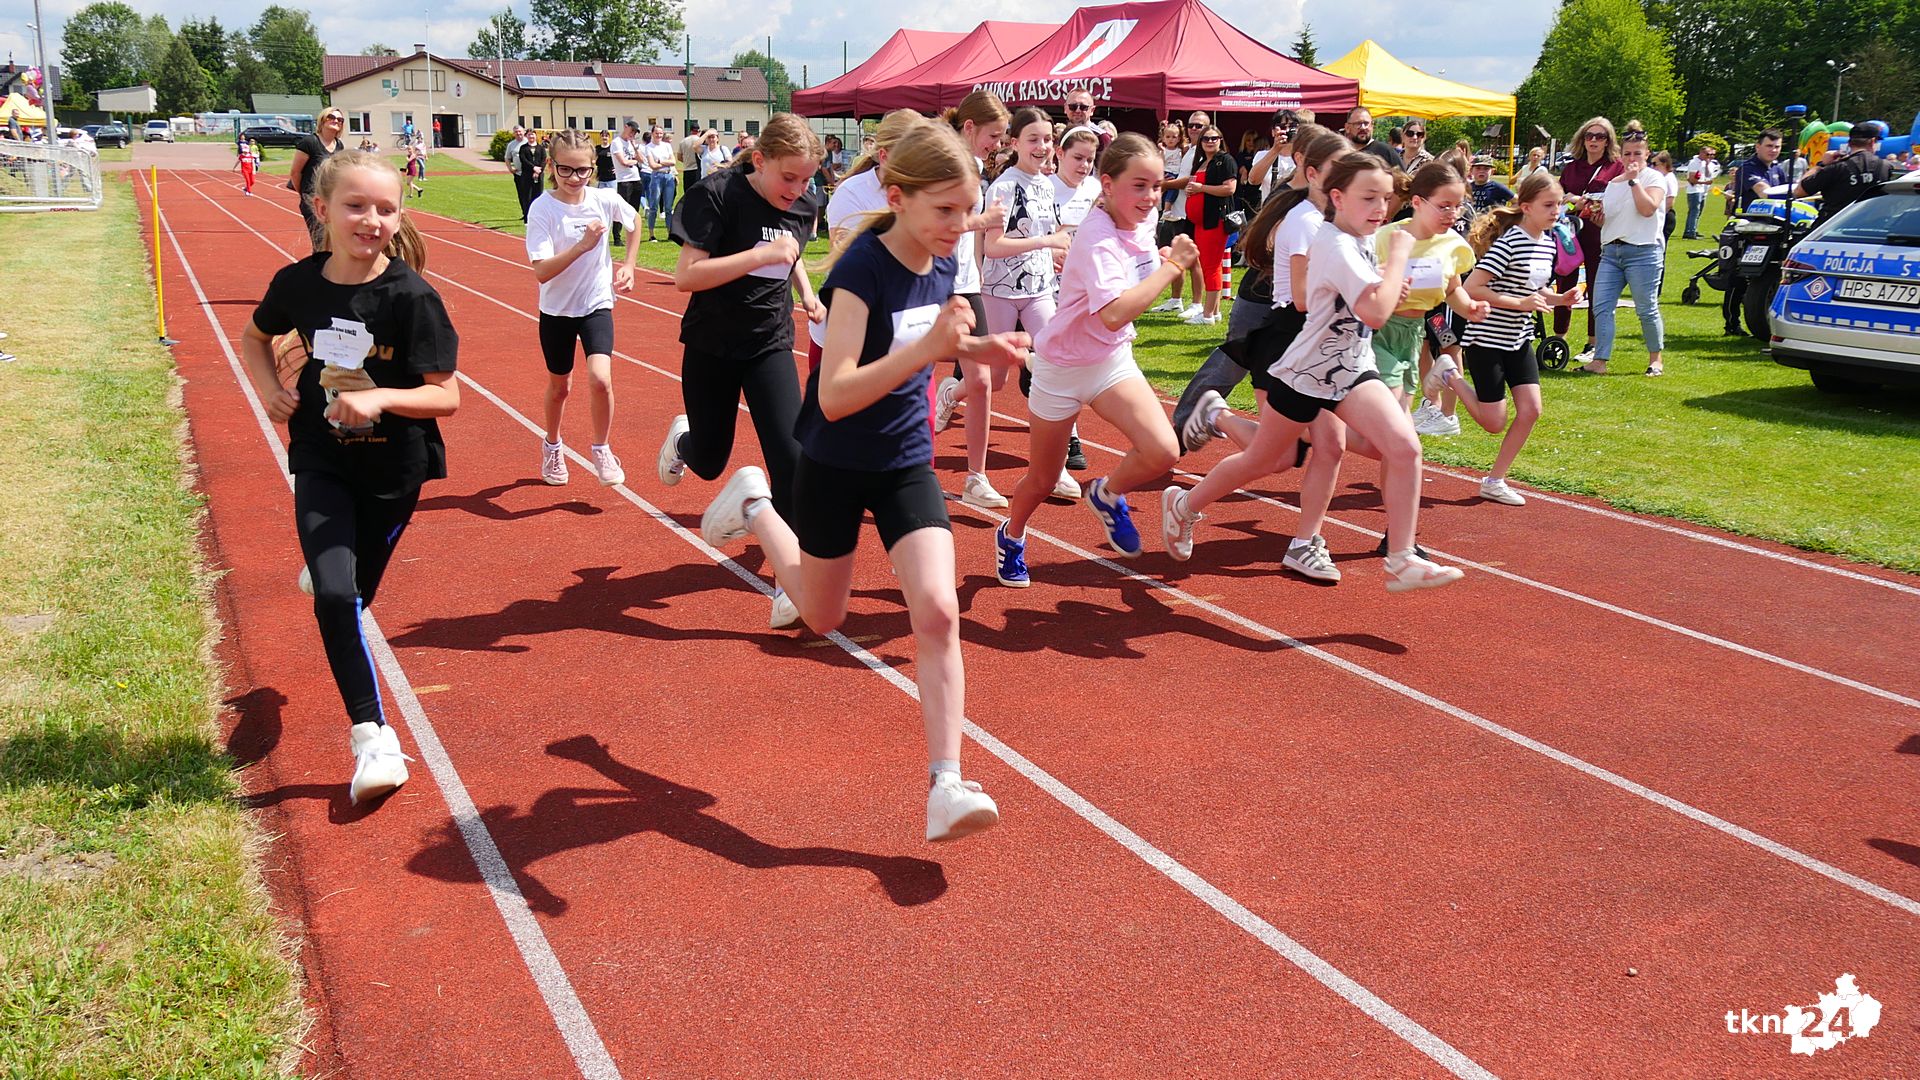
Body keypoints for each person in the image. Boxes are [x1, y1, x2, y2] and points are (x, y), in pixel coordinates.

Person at [698, 121, 1028, 842]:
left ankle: (946, 783)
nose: (960, 226)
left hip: (906, 460)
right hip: (836, 463)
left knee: (938, 611)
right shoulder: (860, 272)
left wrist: (979, 345)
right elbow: (836, 393)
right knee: (822, 618)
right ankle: (754, 502)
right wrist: (933, 348)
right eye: (946, 209)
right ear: (899, 197)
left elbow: (919, 341)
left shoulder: (942, 258)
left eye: (967, 210)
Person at [238, 150, 458, 805]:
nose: (371, 220)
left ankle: (328, 568)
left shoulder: (412, 298)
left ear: (400, 217)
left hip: (394, 471)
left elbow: (445, 396)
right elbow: (254, 337)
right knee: (337, 598)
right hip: (321, 456)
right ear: (322, 209)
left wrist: (380, 398)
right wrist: (270, 389)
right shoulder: (297, 284)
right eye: (355, 206)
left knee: (353, 595)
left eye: (385, 209)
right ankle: (374, 739)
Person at [1162, 151, 1463, 593]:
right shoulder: (1336, 242)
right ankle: (1185, 505)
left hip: (1351, 368)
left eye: (1385, 199)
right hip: (1306, 372)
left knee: (1404, 447)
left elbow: (1362, 300)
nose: (1380, 208)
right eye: (1369, 198)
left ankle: (1400, 558)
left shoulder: (1359, 238)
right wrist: (1397, 261)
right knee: (1265, 459)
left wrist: (1385, 280)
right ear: (1338, 198)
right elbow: (1375, 313)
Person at [993, 134, 1190, 584]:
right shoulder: (1097, 237)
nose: (1151, 197)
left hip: (1110, 360)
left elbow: (1131, 280)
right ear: (1108, 184)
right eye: (1139, 185)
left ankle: (1107, 493)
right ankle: (1012, 534)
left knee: (1163, 450)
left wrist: (1158, 259)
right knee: (1043, 481)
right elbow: (1113, 312)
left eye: (1156, 186)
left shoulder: (1143, 219)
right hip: (1061, 367)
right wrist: (1172, 267)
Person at [659, 114, 826, 629]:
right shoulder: (716, 195)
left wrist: (806, 292)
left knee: (792, 459)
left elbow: (790, 250)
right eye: (788, 178)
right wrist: (758, 256)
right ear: (759, 160)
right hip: (712, 344)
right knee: (710, 461)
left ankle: (789, 580)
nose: (797, 190)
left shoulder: (804, 204)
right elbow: (687, 276)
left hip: (769, 342)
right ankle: (683, 440)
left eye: (806, 180)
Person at [1169, 124, 1342, 455]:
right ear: (1306, 162)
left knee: (1278, 376)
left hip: (1288, 303)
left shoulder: (1321, 201)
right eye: (1334, 165)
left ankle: (1275, 435)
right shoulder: (1291, 200)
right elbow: (1262, 248)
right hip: (1263, 298)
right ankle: (1187, 423)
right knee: (1235, 361)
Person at [1427, 170, 1580, 505]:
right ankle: (1449, 373)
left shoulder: (1547, 243)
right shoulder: (1510, 243)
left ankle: (1495, 480)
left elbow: (1534, 288)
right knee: (1493, 422)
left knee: (1531, 410)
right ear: (1526, 207)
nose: (1556, 211)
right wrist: (1521, 303)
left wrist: (1559, 298)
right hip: (1487, 339)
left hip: (1518, 338)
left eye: (1559, 204)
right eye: (1548, 205)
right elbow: (1473, 288)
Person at [526, 130, 641, 487]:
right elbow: (542, 271)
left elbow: (634, 222)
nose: (575, 178)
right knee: (560, 387)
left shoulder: (604, 199)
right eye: (566, 169)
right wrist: (583, 245)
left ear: (593, 167)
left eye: (582, 170)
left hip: (596, 303)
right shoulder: (543, 208)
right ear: (551, 166)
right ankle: (552, 445)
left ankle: (601, 448)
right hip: (557, 310)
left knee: (601, 380)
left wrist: (629, 264)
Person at [974, 107, 1071, 510]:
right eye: (1033, 139)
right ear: (1014, 143)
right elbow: (993, 246)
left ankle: (1056, 466)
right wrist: (1046, 243)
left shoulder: (1047, 184)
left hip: (1039, 290)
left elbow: (1049, 234)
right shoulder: (1003, 187)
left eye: (1047, 139)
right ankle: (952, 393)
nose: (1043, 146)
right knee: (994, 380)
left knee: (1055, 366)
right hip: (998, 290)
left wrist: (1056, 253)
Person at [931, 92, 1014, 486]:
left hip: (965, 282)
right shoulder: (943, 161)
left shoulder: (977, 165)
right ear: (969, 127)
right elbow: (934, 224)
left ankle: (976, 478)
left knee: (982, 380)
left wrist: (976, 270)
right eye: (993, 135)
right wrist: (984, 220)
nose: (997, 144)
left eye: (1001, 137)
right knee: (909, 372)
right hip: (931, 281)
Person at [1370, 162, 1489, 415]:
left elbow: (1452, 290)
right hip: (1379, 333)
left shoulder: (1453, 245)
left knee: (1396, 416)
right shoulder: (1385, 238)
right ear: (1417, 202)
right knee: (1394, 416)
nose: (1453, 214)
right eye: (1444, 206)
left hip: (1414, 334)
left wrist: (1469, 307)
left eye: (1458, 206)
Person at [1575, 129, 1667, 377]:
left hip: (1643, 251)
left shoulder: (1654, 179)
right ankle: (1600, 360)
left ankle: (1655, 359)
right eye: (1627, 154)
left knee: (1646, 309)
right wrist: (1598, 219)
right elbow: (1612, 220)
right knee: (1601, 307)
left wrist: (1634, 181)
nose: (1631, 158)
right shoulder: (1613, 184)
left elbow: (1647, 209)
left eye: (1637, 153)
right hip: (1611, 252)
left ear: (1647, 154)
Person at [1556, 116, 1623, 357]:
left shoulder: (1616, 168)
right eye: (1589, 136)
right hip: (1570, 234)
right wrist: (1572, 202)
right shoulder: (1572, 167)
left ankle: (1592, 343)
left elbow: (1613, 200)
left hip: (1600, 234)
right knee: (1564, 283)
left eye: (1600, 136)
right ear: (1582, 139)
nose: (1594, 140)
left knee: (1597, 287)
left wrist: (1579, 200)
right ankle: (1558, 339)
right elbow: (1559, 198)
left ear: (1608, 141)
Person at [1151, 112, 1211, 318]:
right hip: (1177, 210)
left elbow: (1190, 179)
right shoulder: (1188, 149)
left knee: (1194, 259)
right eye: (1191, 125)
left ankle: (1197, 303)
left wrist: (1164, 184)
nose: (1194, 128)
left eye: (1199, 126)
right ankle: (1176, 299)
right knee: (1175, 255)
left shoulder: (1203, 151)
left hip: (1192, 211)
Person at [1182, 124, 1238, 325]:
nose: (1210, 141)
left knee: (1211, 267)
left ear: (1221, 140)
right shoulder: (1201, 162)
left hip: (1215, 221)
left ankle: (1207, 315)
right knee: (1210, 265)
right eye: (1206, 138)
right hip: (1200, 223)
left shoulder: (1226, 160)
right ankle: (1214, 312)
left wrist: (1201, 188)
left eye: (1214, 138)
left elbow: (1229, 189)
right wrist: (1191, 191)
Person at [1797, 121, 1894, 226]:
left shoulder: (1837, 167)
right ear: (1872, 141)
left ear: (1849, 143)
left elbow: (1799, 192)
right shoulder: (1886, 167)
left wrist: (1821, 164)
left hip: (1833, 226)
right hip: (1872, 226)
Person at [288, 108, 349, 253]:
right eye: (331, 117)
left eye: (340, 119)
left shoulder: (339, 145)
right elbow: (295, 173)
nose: (336, 121)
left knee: (334, 240)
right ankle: (319, 266)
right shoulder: (309, 142)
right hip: (313, 200)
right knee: (321, 241)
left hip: (332, 199)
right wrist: (305, 194)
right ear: (322, 119)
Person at [1247, 109, 1298, 203]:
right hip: (1271, 209)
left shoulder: (1304, 156)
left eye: (1292, 126)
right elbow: (1253, 180)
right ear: (1273, 132)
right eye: (1282, 127)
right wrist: (1275, 150)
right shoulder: (1262, 155)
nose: (1287, 130)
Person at [610, 122, 644, 246]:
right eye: (632, 130)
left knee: (634, 210)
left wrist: (635, 147)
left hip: (636, 178)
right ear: (626, 127)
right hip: (624, 180)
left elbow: (642, 160)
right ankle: (617, 237)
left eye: (635, 132)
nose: (633, 134)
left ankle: (633, 236)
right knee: (621, 209)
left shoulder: (631, 144)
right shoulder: (616, 142)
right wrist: (634, 161)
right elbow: (623, 162)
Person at [643, 126, 678, 241]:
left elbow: (673, 162)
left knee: (668, 207)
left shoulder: (667, 146)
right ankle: (651, 234)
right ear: (652, 133)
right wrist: (666, 163)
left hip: (668, 176)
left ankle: (670, 233)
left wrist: (660, 161)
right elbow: (652, 165)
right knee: (654, 206)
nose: (659, 135)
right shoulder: (648, 147)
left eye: (661, 133)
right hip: (656, 176)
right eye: (657, 133)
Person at [1679, 142, 1721, 239]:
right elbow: (1692, 180)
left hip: (1701, 190)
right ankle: (1690, 232)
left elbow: (1708, 175)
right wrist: (1705, 183)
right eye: (1707, 154)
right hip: (1694, 190)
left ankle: (1693, 229)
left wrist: (1707, 165)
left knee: (1698, 212)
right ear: (1701, 153)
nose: (1709, 156)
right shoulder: (1694, 163)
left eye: (1711, 155)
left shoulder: (1704, 163)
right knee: (1694, 211)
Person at [516, 133, 545, 223]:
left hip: (539, 175)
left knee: (538, 196)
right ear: (526, 136)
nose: (531, 137)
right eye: (529, 135)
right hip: (527, 175)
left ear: (535, 136)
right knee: (527, 197)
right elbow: (523, 160)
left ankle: (538, 217)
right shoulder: (523, 148)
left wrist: (538, 171)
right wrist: (533, 168)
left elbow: (543, 160)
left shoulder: (541, 148)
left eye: (533, 135)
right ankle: (527, 217)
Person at [1652, 150, 1680, 242]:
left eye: (1655, 164)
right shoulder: (1661, 178)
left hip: (1666, 217)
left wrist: (1659, 217)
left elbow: (1670, 202)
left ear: (1664, 164)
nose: (1652, 167)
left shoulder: (1669, 178)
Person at [677, 126, 704, 201]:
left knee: (688, 194)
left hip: (687, 170)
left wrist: (686, 161)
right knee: (698, 195)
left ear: (690, 131)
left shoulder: (683, 141)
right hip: (698, 169)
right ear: (698, 131)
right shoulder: (700, 141)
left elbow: (679, 157)